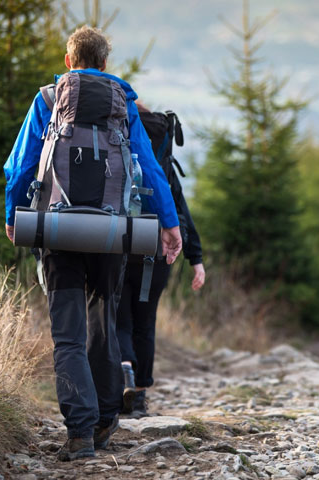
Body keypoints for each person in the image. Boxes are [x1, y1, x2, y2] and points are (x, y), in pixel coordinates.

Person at [3, 26, 182, 461]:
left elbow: (21, 164)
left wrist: (14, 215)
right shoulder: (124, 105)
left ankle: (79, 434)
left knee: (68, 335)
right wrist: (169, 224)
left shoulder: (48, 100)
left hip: (58, 232)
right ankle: (105, 421)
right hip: (111, 233)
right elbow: (148, 167)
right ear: (104, 64)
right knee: (104, 328)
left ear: (69, 61)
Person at [117, 107, 206, 417]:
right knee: (146, 320)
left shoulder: (114, 137)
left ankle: (125, 370)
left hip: (118, 240)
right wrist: (196, 258)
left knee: (119, 316)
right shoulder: (162, 157)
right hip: (158, 244)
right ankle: (139, 398)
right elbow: (179, 204)